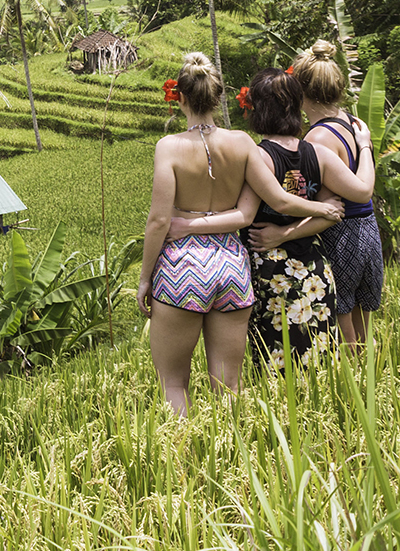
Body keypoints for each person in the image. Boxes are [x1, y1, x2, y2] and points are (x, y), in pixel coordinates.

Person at [138, 53, 337, 415]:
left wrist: (144, 279)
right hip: (232, 265)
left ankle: (183, 461)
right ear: (219, 98)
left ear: (180, 98)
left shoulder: (168, 147)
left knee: (173, 383)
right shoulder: (243, 143)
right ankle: (235, 453)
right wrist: (322, 208)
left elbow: (157, 221)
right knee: (229, 384)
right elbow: (276, 198)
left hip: (182, 267)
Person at [169, 69, 363, 369]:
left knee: (276, 363)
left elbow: (245, 215)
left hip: (271, 271)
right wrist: (364, 145)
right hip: (315, 270)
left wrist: (188, 223)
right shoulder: (319, 154)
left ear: (255, 109)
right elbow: (334, 211)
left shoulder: (258, 157)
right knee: (322, 364)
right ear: (298, 107)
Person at [296, 41, 382, 344]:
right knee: (364, 331)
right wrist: (364, 143)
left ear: (301, 92)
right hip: (369, 230)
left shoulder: (318, 137)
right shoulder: (351, 122)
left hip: (343, 234)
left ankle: (358, 387)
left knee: (344, 327)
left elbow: (361, 191)